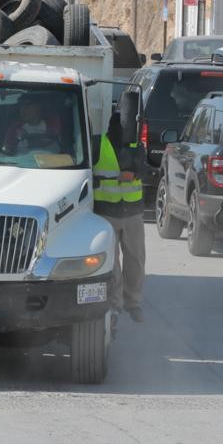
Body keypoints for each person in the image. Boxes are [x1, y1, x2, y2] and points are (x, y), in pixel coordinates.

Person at [93, 114, 146, 323]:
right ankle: (115, 304)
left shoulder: (136, 145)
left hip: (132, 212)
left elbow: (145, 168)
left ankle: (133, 303)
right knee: (112, 262)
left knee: (136, 260)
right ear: (111, 127)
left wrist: (135, 173)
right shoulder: (98, 144)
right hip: (106, 212)